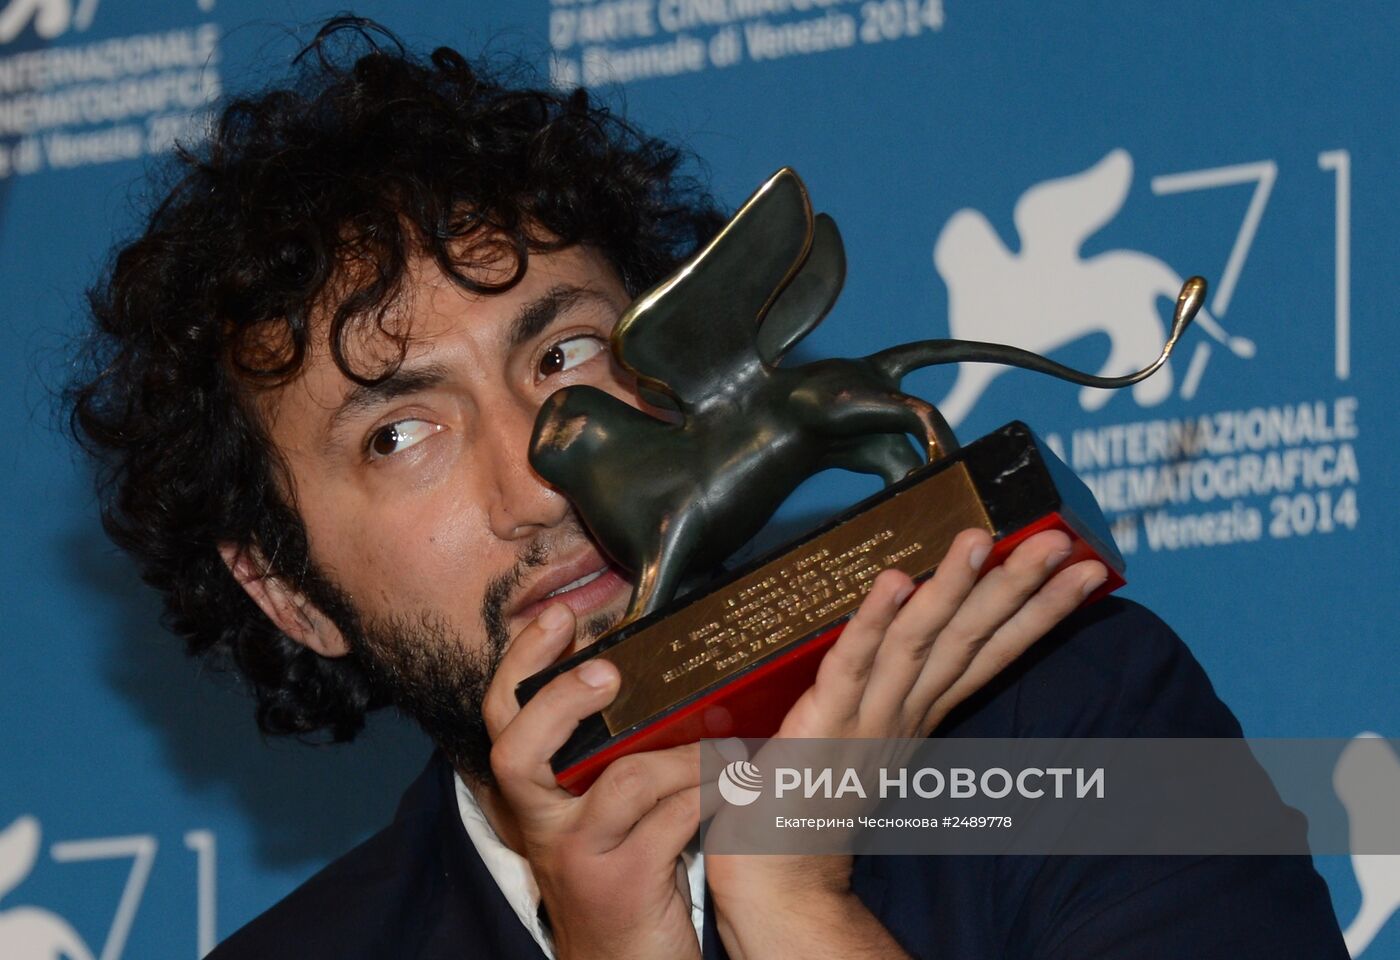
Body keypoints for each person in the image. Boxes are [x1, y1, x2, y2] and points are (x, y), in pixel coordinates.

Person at [68, 18, 1349, 960]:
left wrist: (791, 908)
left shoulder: (1082, 719)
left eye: (563, 355)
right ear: (288, 595)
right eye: (401, 434)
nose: (538, 483)